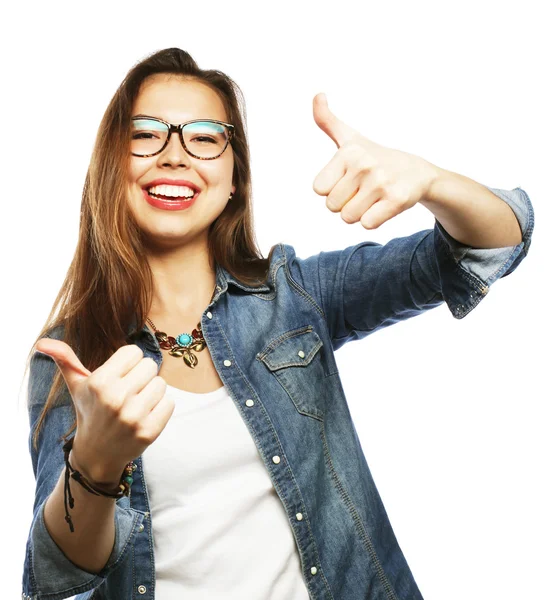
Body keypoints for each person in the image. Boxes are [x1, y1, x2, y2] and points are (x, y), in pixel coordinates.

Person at [21, 47, 534, 600]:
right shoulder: (73, 356)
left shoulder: (295, 296)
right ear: (111, 166)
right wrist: (96, 461)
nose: (174, 155)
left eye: (204, 137)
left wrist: (432, 181)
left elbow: (492, 246)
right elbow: (58, 574)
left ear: (235, 176)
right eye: (146, 134)